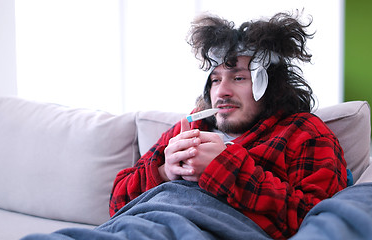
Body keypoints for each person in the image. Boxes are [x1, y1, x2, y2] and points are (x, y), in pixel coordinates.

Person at [109, 12, 347, 239]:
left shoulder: (303, 132)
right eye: (215, 80)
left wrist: (223, 168)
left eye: (238, 78)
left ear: (270, 85)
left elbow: (315, 221)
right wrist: (165, 173)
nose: (221, 91)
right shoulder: (191, 127)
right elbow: (117, 203)